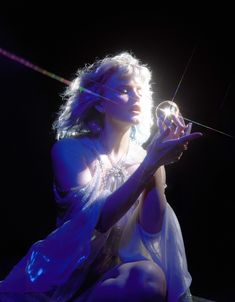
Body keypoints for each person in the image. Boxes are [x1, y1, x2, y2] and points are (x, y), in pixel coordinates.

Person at [0, 51, 202, 301]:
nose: (136, 95)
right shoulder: (70, 150)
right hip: (66, 272)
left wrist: (158, 165)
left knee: (150, 278)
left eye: (140, 90)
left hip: (113, 275)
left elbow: (152, 229)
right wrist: (151, 162)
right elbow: (99, 219)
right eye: (124, 90)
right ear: (99, 101)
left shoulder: (144, 158)